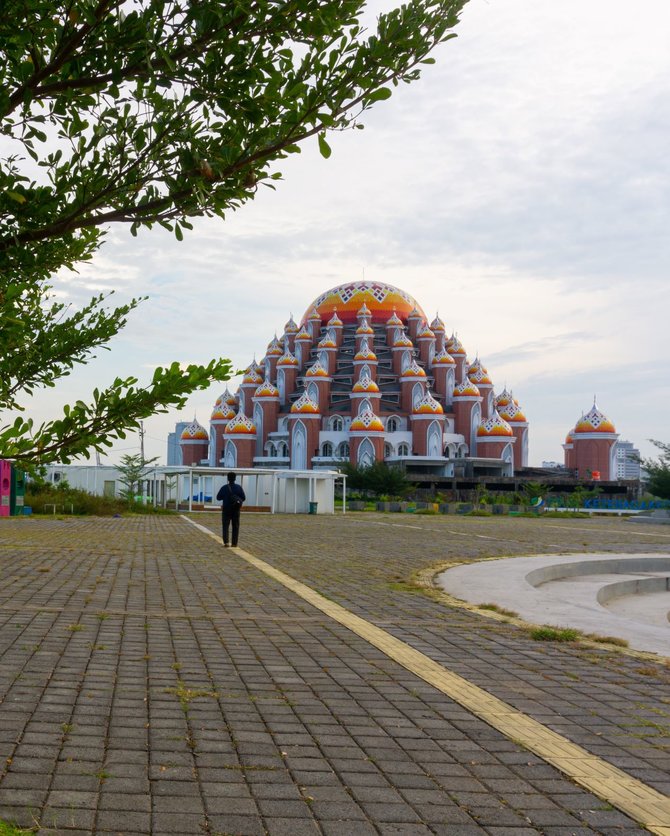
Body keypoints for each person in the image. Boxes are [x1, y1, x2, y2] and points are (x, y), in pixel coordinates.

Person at [216, 472, 246, 547]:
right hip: (236, 510)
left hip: (226, 510)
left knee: (225, 526)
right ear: (235, 478)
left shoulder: (224, 487)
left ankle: (226, 542)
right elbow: (244, 498)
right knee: (235, 526)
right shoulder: (239, 487)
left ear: (228, 478)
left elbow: (218, 497)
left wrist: (225, 497)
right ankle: (234, 543)